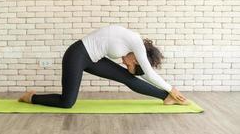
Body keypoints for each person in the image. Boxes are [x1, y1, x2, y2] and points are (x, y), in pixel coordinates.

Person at [19, 24, 190, 108]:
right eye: (128, 64)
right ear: (137, 59)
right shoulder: (135, 42)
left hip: (92, 59)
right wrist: (172, 88)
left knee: (128, 79)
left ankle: (165, 98)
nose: (124, 62)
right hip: (76, 55)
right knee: (67, 102)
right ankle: (31, 97)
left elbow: (144, 74)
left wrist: (168, 92)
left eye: (127, 64)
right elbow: (149, 74)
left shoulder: (134, 48)